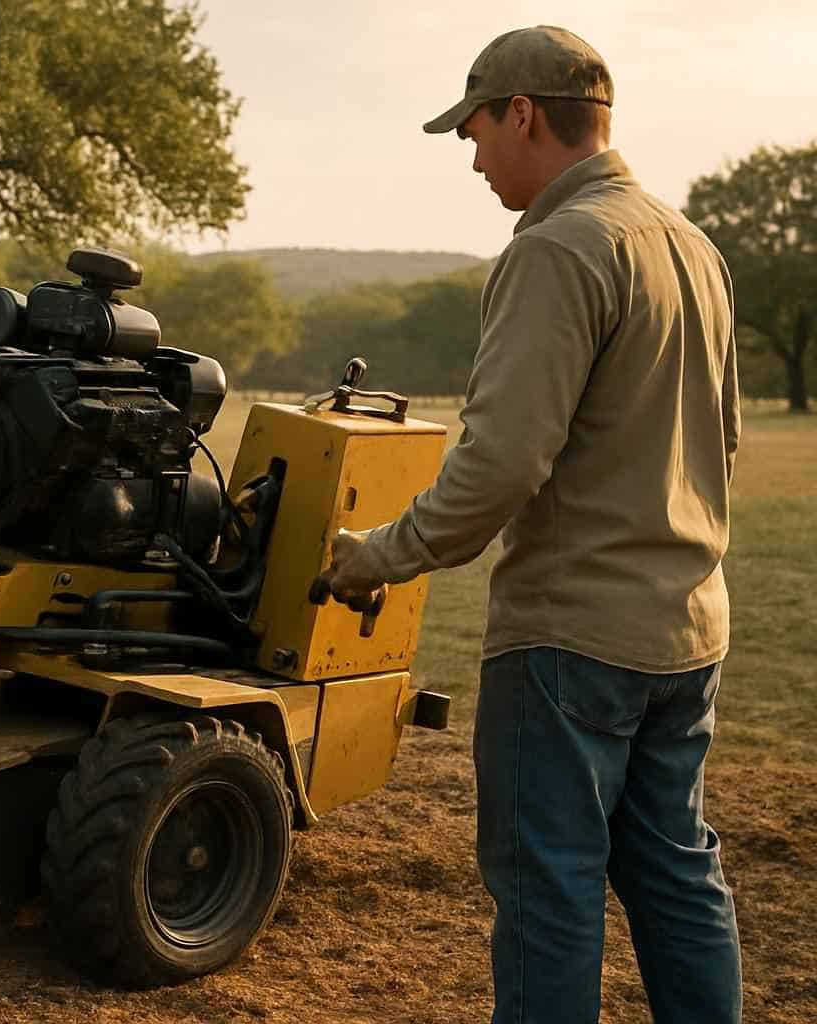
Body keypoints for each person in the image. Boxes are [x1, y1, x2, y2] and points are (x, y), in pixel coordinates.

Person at [317, 25, 743, 1024]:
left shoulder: (557, 248)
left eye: (472, 131)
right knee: (678, 878)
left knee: (549, 894)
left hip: (567, 645)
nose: (471, 158)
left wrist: (381, 553)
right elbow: (721, 443)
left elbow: (502, 461)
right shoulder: (693, 245)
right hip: (686, 634)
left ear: (521, 113)